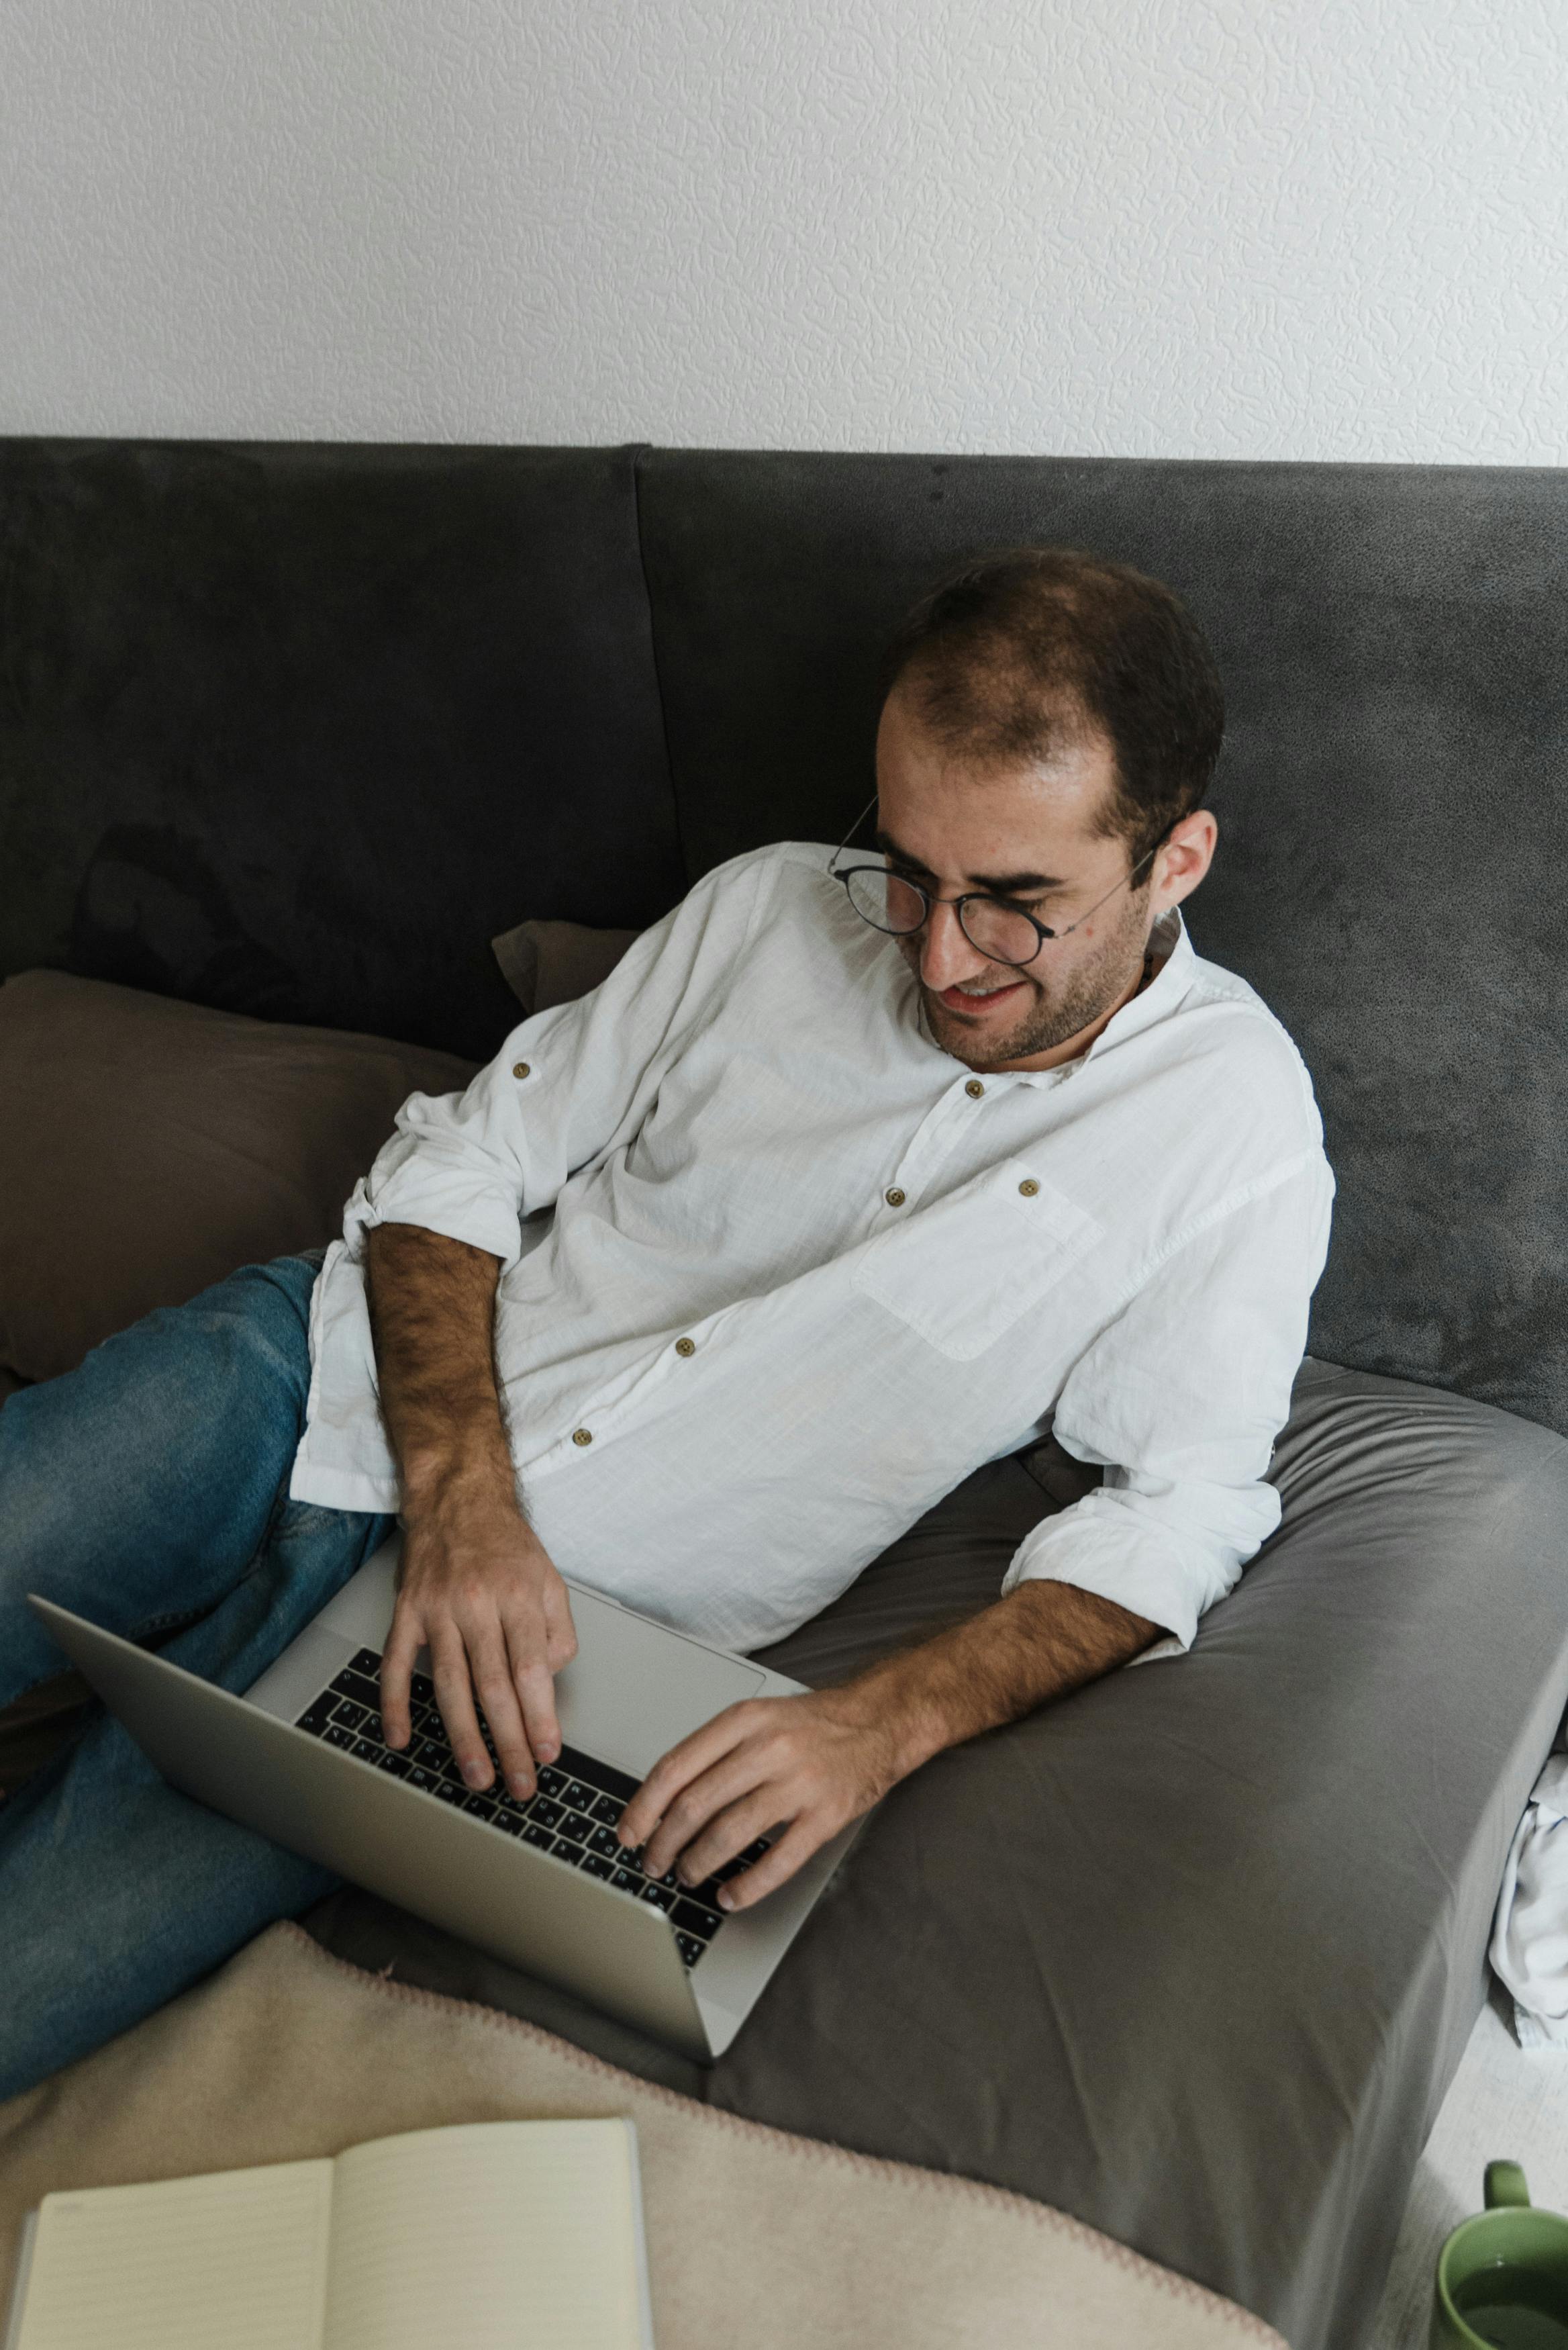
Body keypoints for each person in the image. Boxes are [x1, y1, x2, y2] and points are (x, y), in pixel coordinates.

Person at [0, 545, 1332, 2098]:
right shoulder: (769, 909)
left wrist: (871, 1729)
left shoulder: (1232, 1135)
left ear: (1175, 861)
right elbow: (463, 1155)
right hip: (308, 1376)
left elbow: (1180, 1502)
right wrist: (462, 1495)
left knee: (32, 1973)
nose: (938, 950)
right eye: (907, 868)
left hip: (527, 1650)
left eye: (1017, 904)